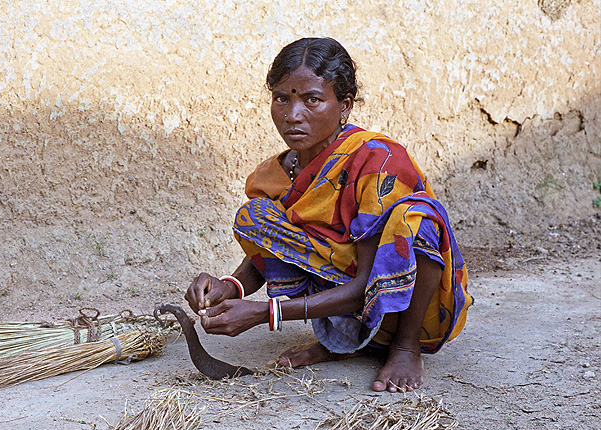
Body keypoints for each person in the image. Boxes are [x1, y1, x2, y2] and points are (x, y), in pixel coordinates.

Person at [185, 37, 473, 392]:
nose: (293, 115)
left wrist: (265, 313)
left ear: (345, 106)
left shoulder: (378, 161)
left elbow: (364, 286)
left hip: (403, 310)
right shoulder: (274, 175)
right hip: (343, 309)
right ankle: (344, 343)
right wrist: (230, 287)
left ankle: (403, 348)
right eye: (282, 99)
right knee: (254, 216)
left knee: (417, 223)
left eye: (312, 100)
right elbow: (273, 254)